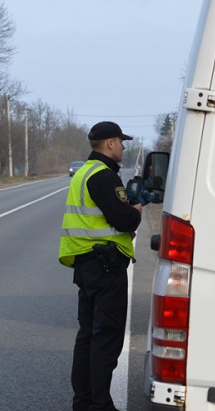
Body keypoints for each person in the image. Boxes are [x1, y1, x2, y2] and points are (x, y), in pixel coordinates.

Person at [60, 121, 142, 411]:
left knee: (88, 336)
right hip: (105, 266)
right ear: (109, 143)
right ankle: (100, 405)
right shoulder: (104, 176)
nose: (122, 147)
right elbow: (124, 219)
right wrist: (135, 211)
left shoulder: (83, 172)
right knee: (105, 337)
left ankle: (83, 403)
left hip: (86, 264)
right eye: (121, 142)